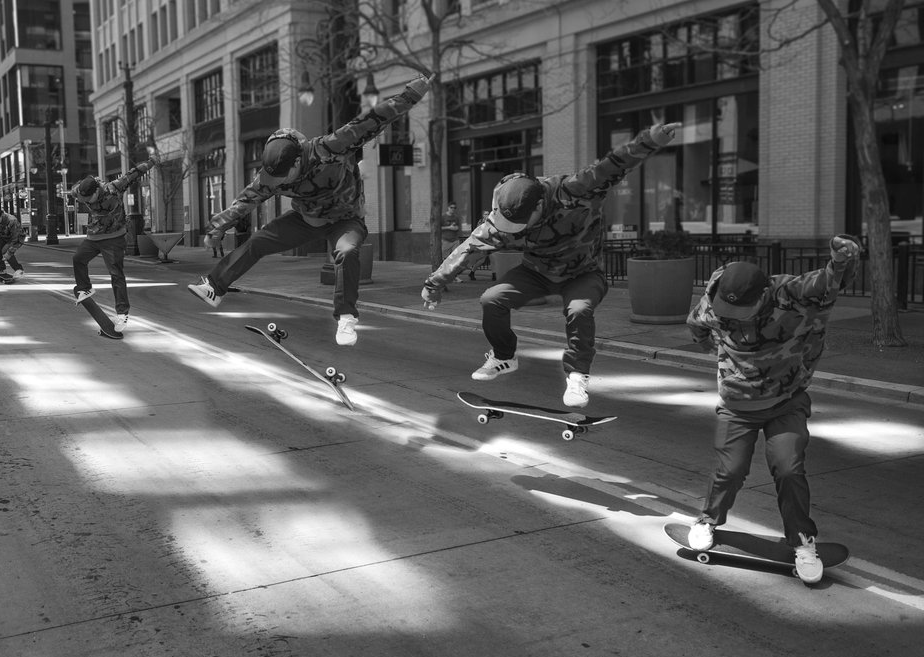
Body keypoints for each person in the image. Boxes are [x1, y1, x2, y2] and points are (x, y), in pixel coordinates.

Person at [421, 123, 679, 407]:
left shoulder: (576, 190)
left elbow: (612, 165)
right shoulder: (502, 214)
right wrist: (434, 284)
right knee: (491, 299)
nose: (513, 232)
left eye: (520, 225)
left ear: (539, 207)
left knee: (579, 309)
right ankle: (504, 357)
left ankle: (577, 375)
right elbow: (468, 249)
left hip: (583, 272)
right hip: (537, 273)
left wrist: (649, 140)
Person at [188, 73, 433, 346]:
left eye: (284, 178)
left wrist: (410, 96)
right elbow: (247, 199)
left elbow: (373, 120)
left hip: (346, 219)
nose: (280, 184)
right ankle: (214, 287)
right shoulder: (270, 176)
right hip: (305, 219)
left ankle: (346, 318)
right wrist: (218, 225)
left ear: (297, 161)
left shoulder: (331, 146)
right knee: (258, 241)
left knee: (347, 251)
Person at [684, 234, 863, 584]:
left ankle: (802, 541)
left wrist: (842, 258)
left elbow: (831, 277)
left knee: (789, 469)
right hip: (737, 405)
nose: (732, 316)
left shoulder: (793, 294)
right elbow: (697, 326)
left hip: (787, 401)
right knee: (730, 471)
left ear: (764, 294)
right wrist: (714, 352)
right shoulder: (713, 298)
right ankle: (707, 520)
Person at [70, 151, 160, 332]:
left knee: (116, 274)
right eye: (83, 198)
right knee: (78, 259)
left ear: (97, 191)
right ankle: (85, 288)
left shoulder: (114, 187)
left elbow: (133, 173)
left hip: (114, 237)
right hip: (94, 236)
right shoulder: (78, 192)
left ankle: (122, 314)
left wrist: (151, 162)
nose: (85, 201)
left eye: (88, 198)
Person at [0, 207, 25, 279]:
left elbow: (16, 239)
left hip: (16, 238)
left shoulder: (12, 220)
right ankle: (1, 269)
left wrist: (8, 254)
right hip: (3, 236)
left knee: (5, 250)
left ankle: (19, 270)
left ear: (2, 215)